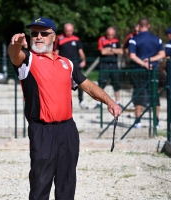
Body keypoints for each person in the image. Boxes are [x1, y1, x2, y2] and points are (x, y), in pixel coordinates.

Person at [7, 16, 122, 200]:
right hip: (42, 131)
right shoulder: (28, 60)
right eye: (34, 33)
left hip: (68, 130)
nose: (38, 37)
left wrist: (110, 102)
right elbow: (14, 55)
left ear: (54, 37)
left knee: (67, 183)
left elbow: (89, 86)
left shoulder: (66, 63)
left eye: (44, 33)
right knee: (40, 184)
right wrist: (16, 44)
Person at [128, 17, 165, 128]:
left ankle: (138, 121)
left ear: (139, 26)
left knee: (139, 94)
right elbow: (162, 54)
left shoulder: (133, 39)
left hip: (138, 70)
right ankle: (156, 121)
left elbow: (132, 56)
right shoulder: (157, 39)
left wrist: (143, 63)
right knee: (154, 95)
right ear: (148, 26)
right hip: (153, 70)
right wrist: (151, 60)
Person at [54, 23, 88, 109]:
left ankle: (81, 101)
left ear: (73, 30)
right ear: (64, 30)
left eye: (70, 30)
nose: (69, 32)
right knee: (63, 83)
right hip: (63, 65)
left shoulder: (76, 39)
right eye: (67, 31)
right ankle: (64, 102)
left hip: (75, 65)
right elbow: (56, 51)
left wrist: (83, 60)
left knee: (80, 82)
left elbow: (80, 51)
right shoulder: (60, 39)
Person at [94, 27, 123, 109]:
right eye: (109, 35)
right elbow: (102, 51)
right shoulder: (102, 40)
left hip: (114, 65)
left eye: (112, 35)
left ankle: (118, 102)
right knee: (101, 84)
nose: (110, 36)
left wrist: (109, 49)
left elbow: (120, 51)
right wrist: (114, 50)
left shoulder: (116, 41)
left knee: (116, 83)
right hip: (104, 65)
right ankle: (99, 103)